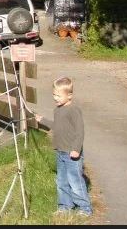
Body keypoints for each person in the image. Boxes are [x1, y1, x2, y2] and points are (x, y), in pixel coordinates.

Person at [36, 76, 93, 216]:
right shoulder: (58, 110)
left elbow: (80, 131)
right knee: (61, 181)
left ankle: (85, 208)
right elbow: (57, 126)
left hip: (71, 153)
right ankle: (65, 206)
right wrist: (42, 120)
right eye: (54, 94)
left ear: (69, 95)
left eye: (59, 95)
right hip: (60, 152)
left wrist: (76, 149)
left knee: (75, 181)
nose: (55, 98)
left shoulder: (74, 110)